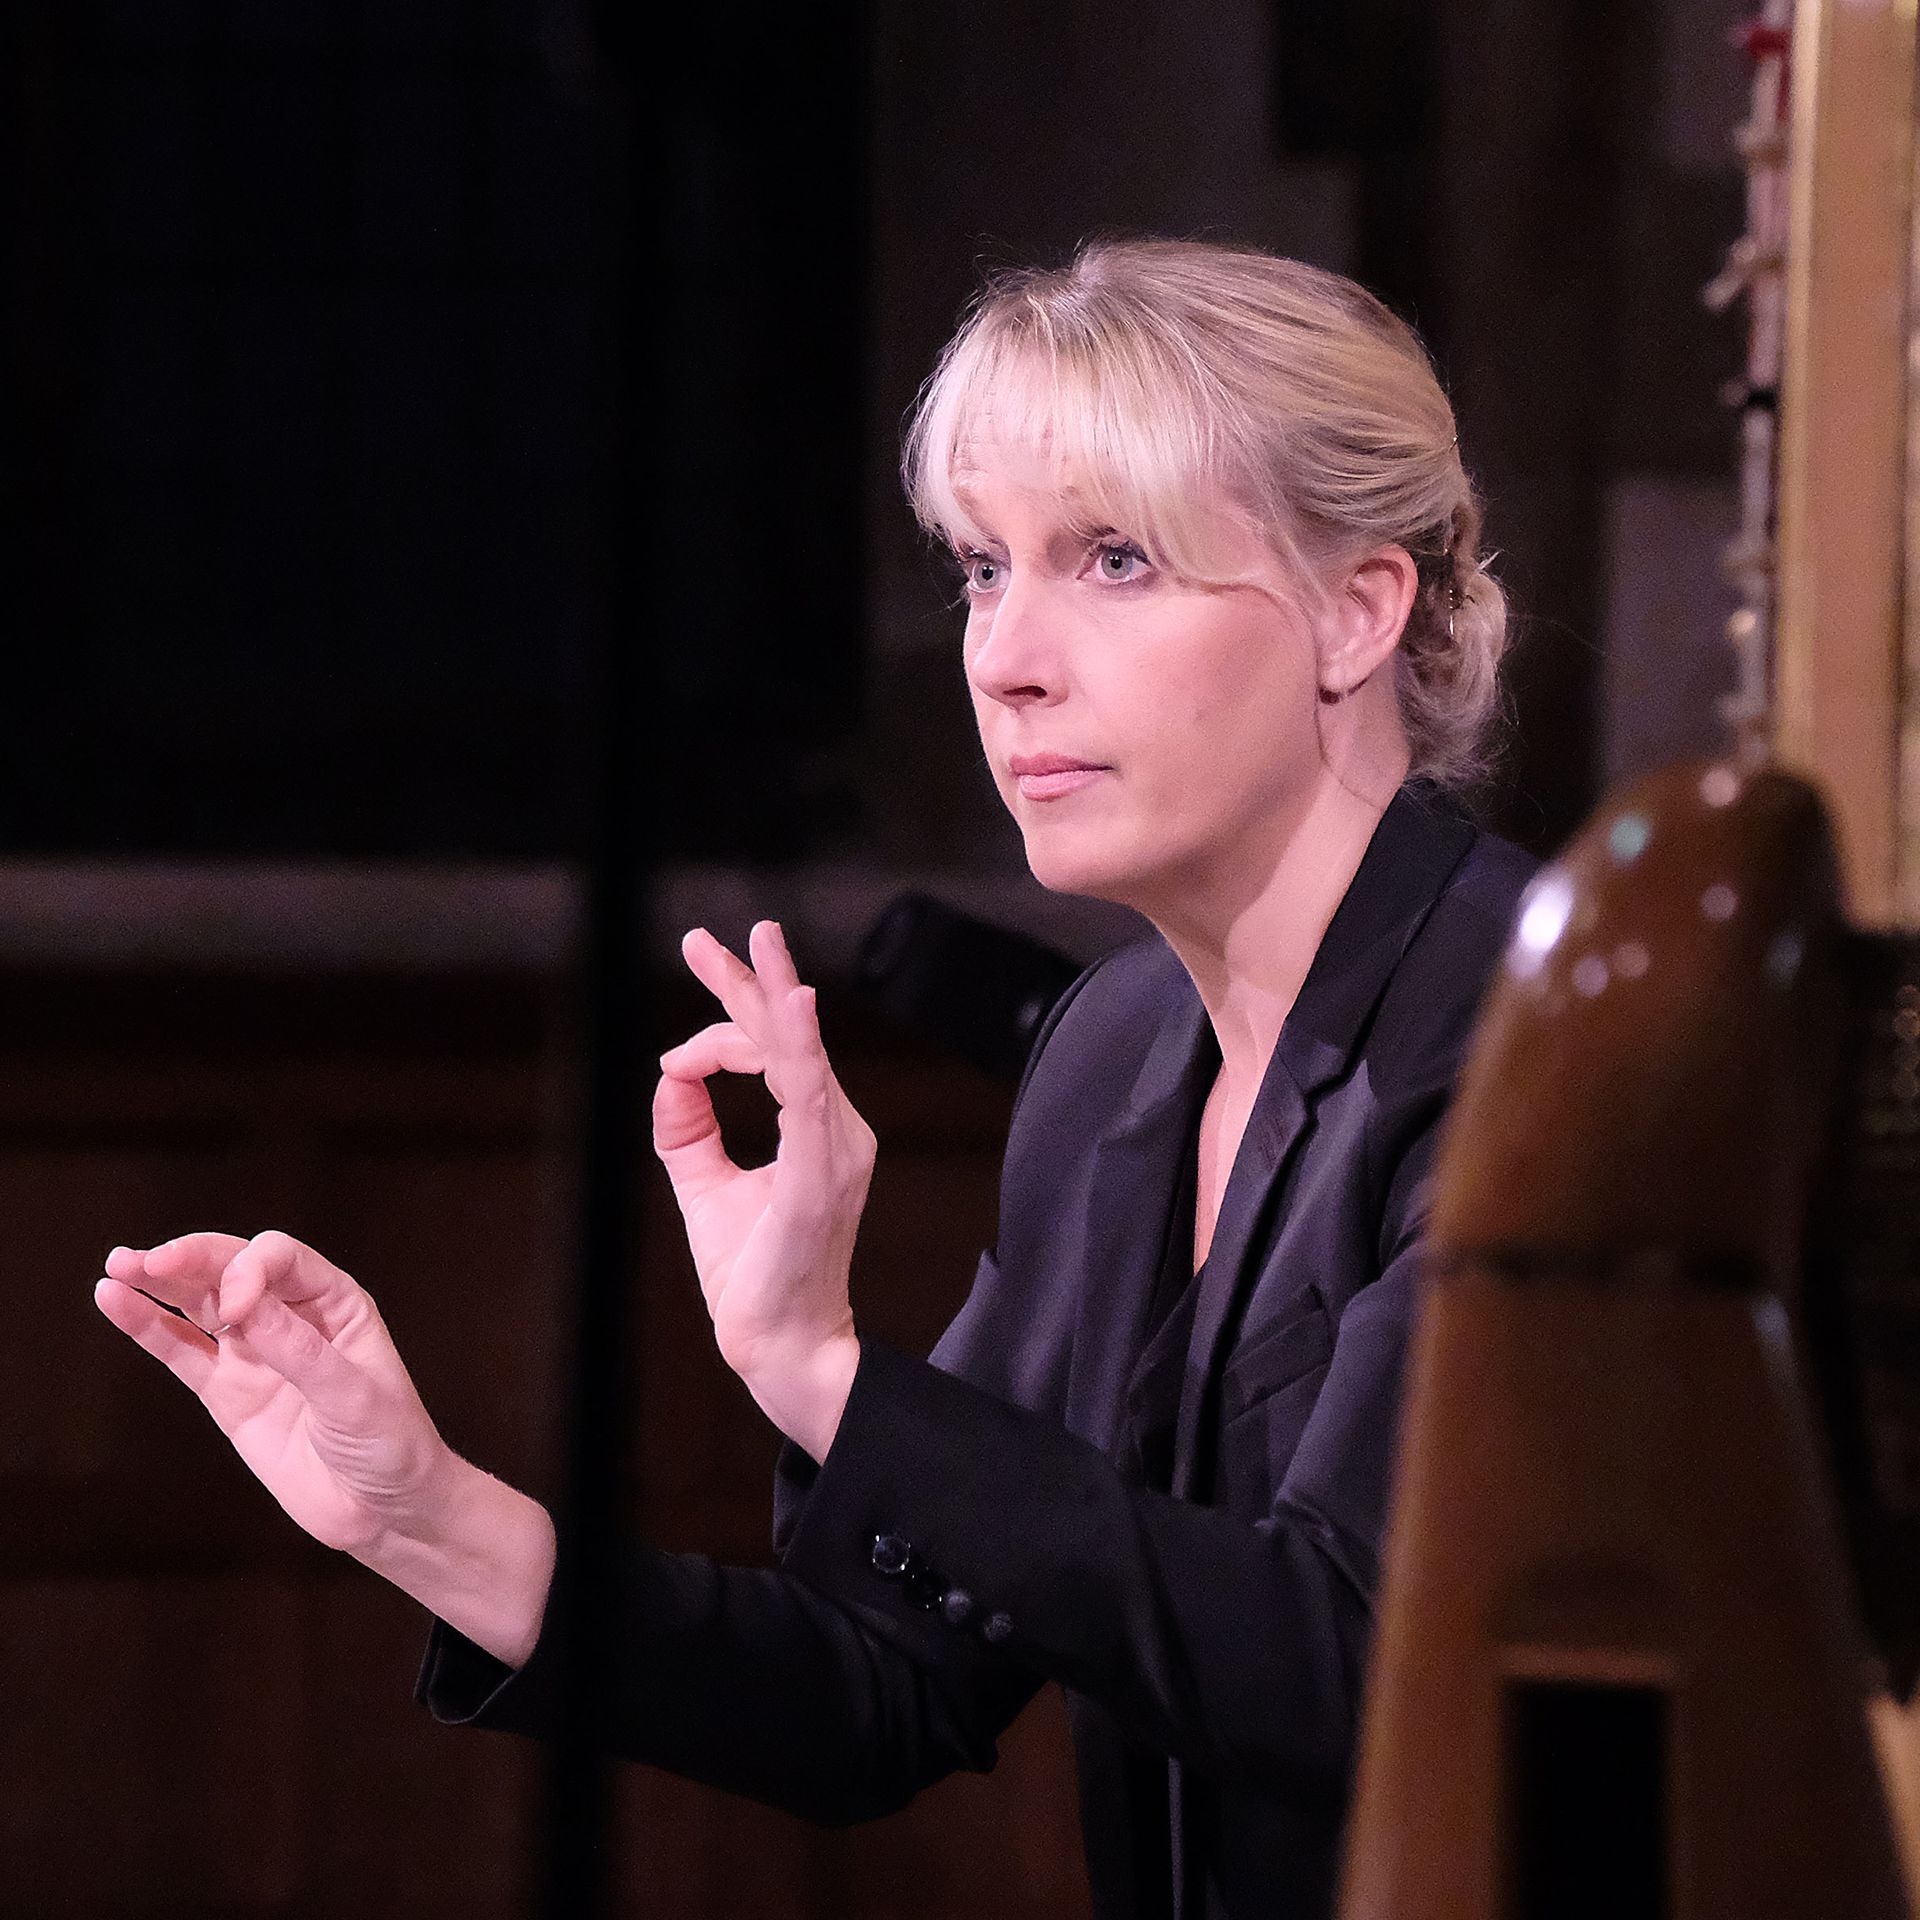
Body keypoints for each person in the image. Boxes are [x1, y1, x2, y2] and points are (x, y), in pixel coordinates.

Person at [94, 237, 1538, 1920]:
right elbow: (883, 1686)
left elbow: (1358, 1671)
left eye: (1114, 560)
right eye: (983, 568)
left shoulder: (1524, 1041)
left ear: (1359, 611)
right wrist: (420, 1510)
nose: (1004, 657)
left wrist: (823, 1373)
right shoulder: (1114, 1056)